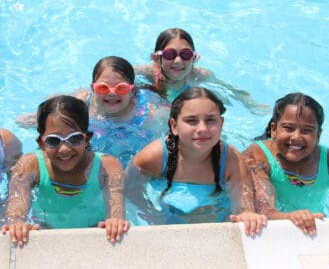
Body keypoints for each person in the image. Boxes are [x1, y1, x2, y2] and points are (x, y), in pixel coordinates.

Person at [128, 87, 267, 236]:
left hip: (217, 224)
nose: (202, 128)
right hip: (168, 224)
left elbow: (244, 205)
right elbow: (127, 187)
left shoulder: (230, 159)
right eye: (191, 121)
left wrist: (246, 214)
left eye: (210, 120)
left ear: (221, 124)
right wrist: (151, 213)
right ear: (174, 126)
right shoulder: (155, 157)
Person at [1, 95, 130, 246]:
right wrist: (18, 223)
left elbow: (117, 211)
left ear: (87, 138)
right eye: (53, 141)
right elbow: (16, 210)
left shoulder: (107, 167)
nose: (64, 149)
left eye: (74, 139)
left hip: (94, 233)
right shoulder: (30, 165)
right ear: (41, 143)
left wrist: (115, 221)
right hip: (46, 232)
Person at [16, 56, 168, 167]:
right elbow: (50, 108)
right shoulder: (81, 103)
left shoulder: (148, 115)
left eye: (121, 88)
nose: (112, 93)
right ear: (92, 89)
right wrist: (36, 118)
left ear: (133, 91)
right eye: (103, 88)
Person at [243, 92, 329, 235]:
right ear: (273, 130)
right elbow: (263, 211)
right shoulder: (258, 156)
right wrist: (290, 217)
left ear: (318, 135)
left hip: (315, 222)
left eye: (307, 131)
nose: (296, 137)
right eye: (288, 128)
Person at [135, 27, 269, 115]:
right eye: (170, 54)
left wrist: (251, 104)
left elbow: (230, 89)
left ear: (194, 58)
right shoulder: (149, 73)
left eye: (185, 55)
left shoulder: (199, 75)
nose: (178, 61)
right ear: (156, 58)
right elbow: (119, 75)